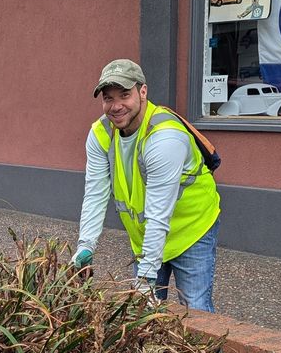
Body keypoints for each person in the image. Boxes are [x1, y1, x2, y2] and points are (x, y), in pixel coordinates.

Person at [72, 59, 222, 312]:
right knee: (143, 314)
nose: (116, 106)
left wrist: (145, 279)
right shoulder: (101, 133)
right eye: (108, 98)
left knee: (195, 310)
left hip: (191, 229)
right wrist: (85, 246)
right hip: (145, 236)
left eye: (124, 95)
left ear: (143, 92)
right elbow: (95, 194)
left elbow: (158, 214)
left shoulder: (165, 136)